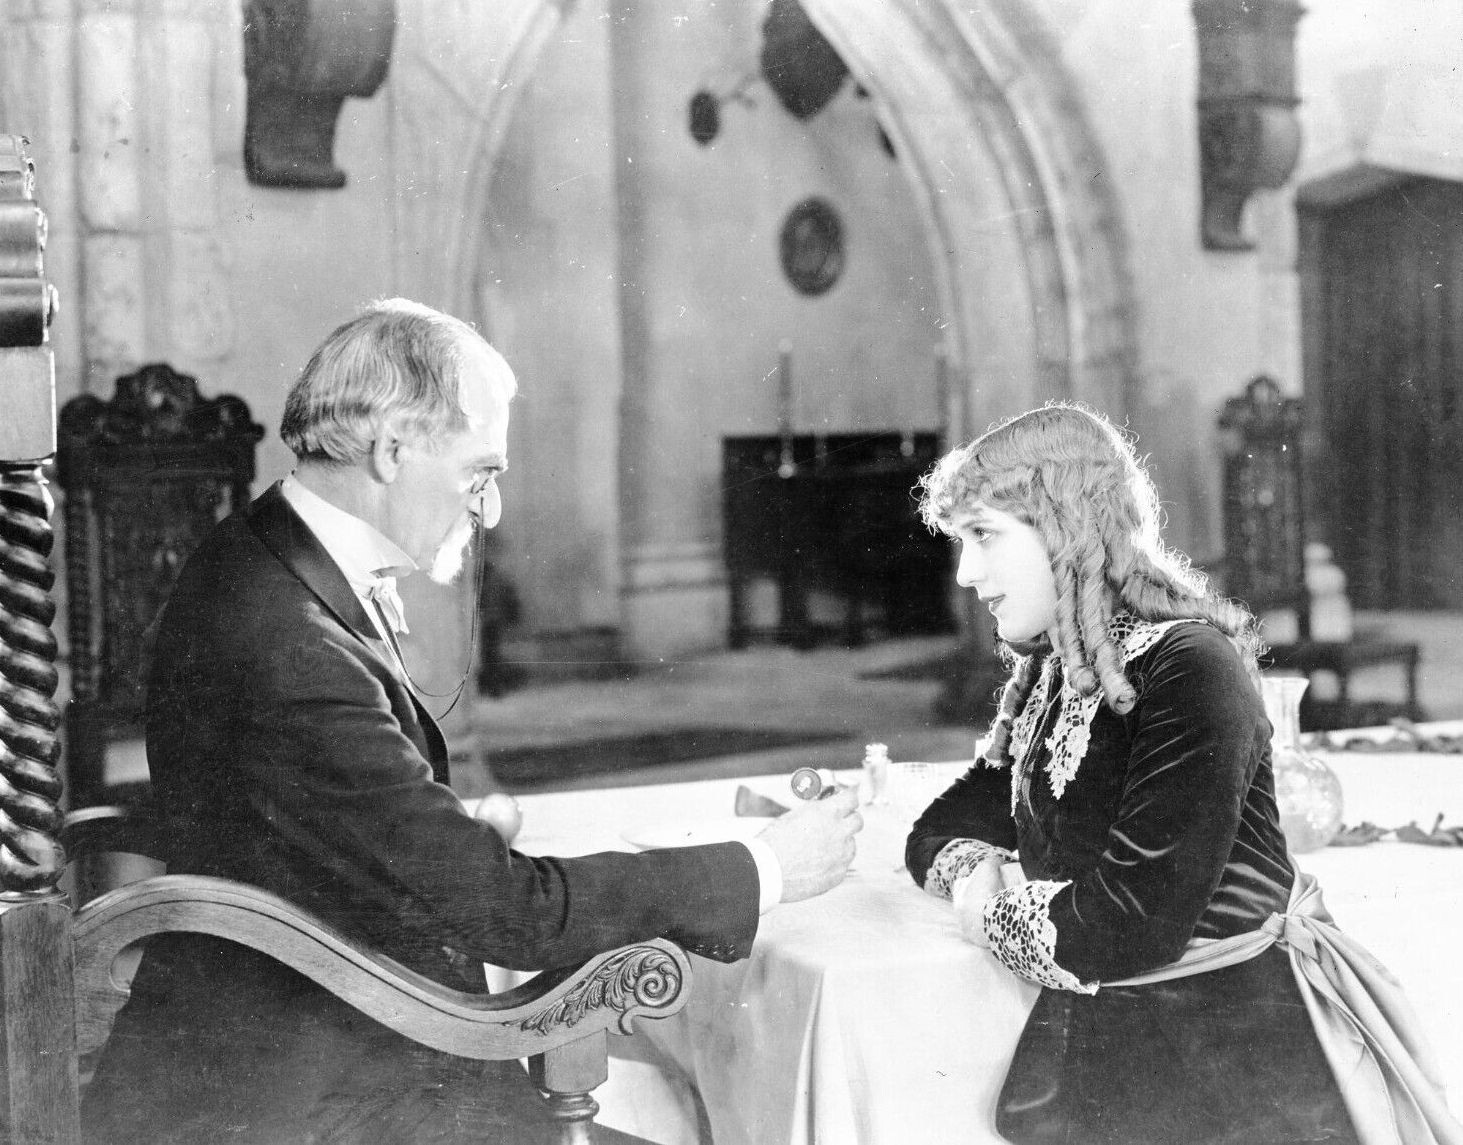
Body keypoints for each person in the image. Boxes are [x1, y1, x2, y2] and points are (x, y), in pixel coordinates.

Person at [81, 299, 863, 1144]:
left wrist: (428, 822)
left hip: (287, 1042)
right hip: (304, 1097)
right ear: (392, 448)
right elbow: (507, 913)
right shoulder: (290, 640)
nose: (488, 511)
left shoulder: (259, 552)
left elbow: (319, 818)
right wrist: (764, 867)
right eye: (478, 473)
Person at [904, 403, 1458, 1144]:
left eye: (983, 536)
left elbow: (1132, 924)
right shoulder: (1060, 669)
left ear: (1063, 527)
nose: (967, 573)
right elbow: (937, 828)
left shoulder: (1190, 667)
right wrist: (978, 872)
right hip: (1116, 1044)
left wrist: (989, 912)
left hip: (1235, 1066)